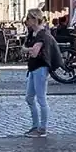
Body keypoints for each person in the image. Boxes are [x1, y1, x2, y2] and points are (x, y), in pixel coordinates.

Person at [21, 8, 55, 137]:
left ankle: (42, 128)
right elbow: (24, 49)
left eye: (28, 18)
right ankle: (35, 126)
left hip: (40, 68)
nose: (26, 21)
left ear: (35, 19)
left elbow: (34, 53)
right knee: (29, 98)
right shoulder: (32, 33)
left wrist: (28, 50)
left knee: (41, 99)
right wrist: (29, 49)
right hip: (33, 68)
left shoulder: (42, 34)